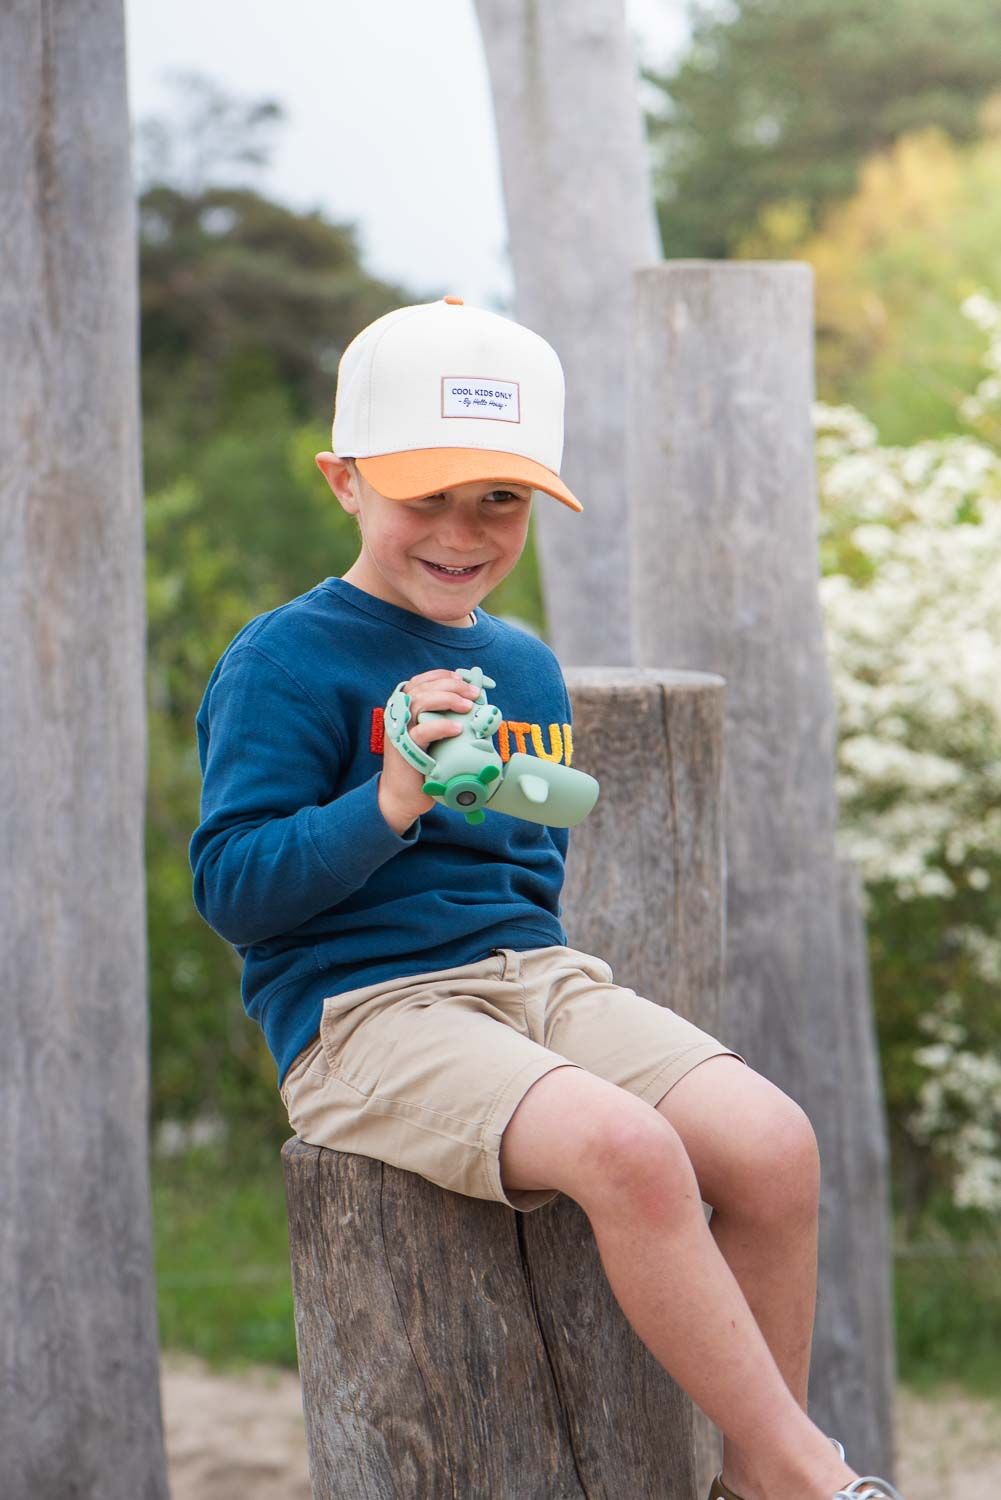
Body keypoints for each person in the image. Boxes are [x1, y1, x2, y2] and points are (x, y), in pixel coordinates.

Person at [189, 295, 902, 1500]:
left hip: (533, 979)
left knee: (773, 1147)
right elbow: (235, 890)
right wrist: (392, 800)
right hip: (362, 1016)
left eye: (501, 500)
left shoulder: (519, 665)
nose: (464, 533)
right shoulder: (282, 659)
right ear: (343, 479)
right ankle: (801, 1471)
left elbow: (525, 875)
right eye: (427, 494)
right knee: (626, 1150)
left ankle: (748, 1478)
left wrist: (497, 837)